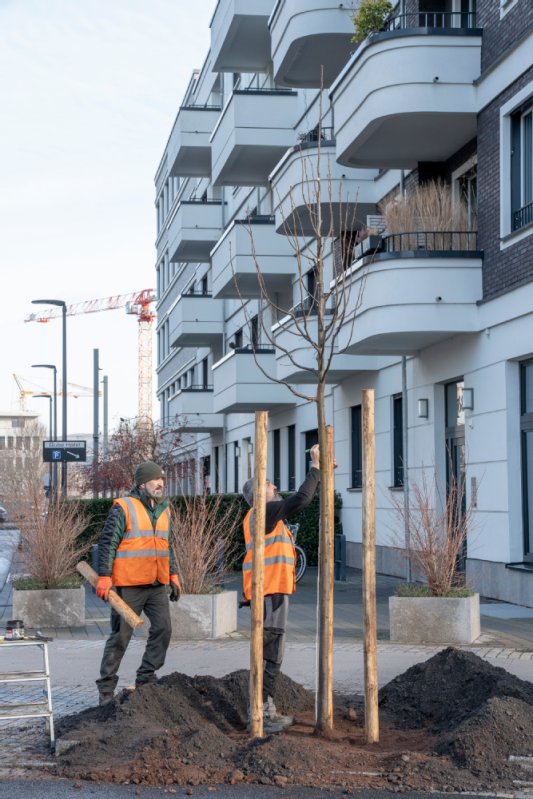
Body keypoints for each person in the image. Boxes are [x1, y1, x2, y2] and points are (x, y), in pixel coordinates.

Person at [241, 444, 320, 733]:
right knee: (271, 652)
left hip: (270, 592)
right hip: (269, 593)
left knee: (271, 651)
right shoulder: (264, 513)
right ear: (258, 495)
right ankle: (260, 712)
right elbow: (302, 499)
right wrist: (315, 467)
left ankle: (263, 708)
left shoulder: (268, 517)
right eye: (268, 483)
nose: (274, 485)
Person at [95, 461, 182, 705]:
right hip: (129, 586)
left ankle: (146, 676)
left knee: (163, 629)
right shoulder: (124, 508)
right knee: (121, 637)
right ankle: (106, 688)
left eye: (162, 480)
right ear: (142, 483)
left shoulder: (165, 510)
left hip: (156, 584)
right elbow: (108, 543)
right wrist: (104, 576)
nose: (160, 483)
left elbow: (167, 546)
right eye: (155, 480)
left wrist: (173, 574)